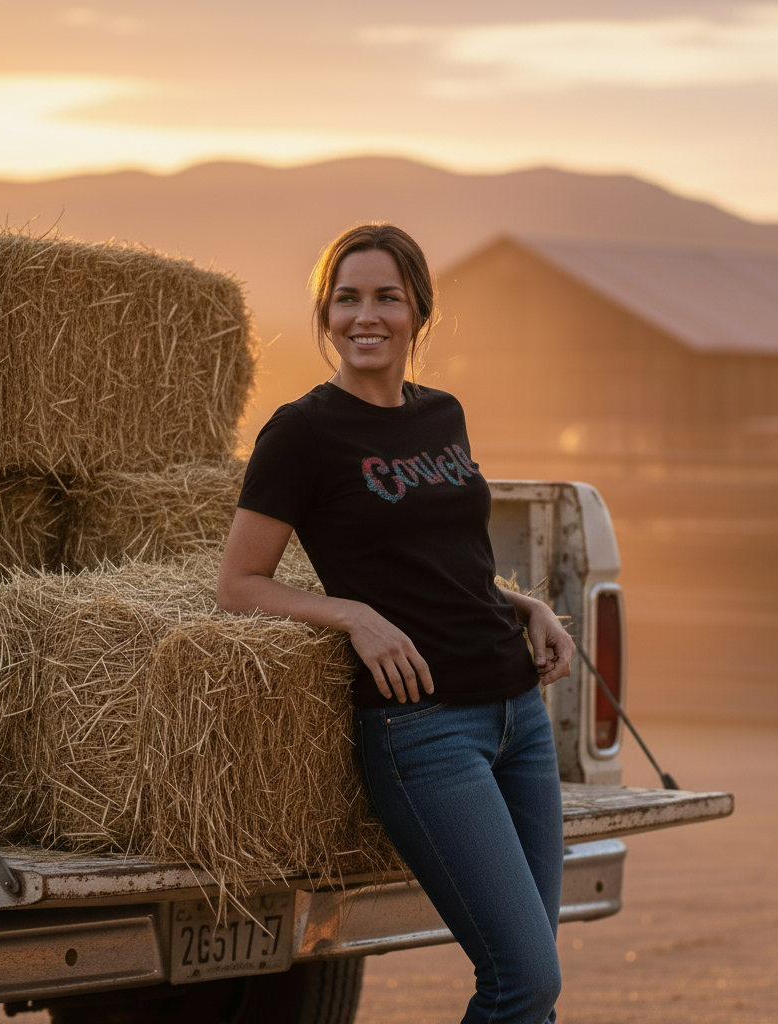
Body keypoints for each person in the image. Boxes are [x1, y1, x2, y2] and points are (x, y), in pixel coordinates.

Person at [216, 223, 575, 1024]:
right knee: (526, 981)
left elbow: (452, 563)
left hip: (519, 717)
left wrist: (529, 605)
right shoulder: (303, 432)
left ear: (419, 312)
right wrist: (351, 616)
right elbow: (238, 585)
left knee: (535, 975)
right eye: (346, 299)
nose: (364, 316)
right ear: (325, 314)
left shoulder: (442, 413)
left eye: (386, 297)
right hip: (425, 734)